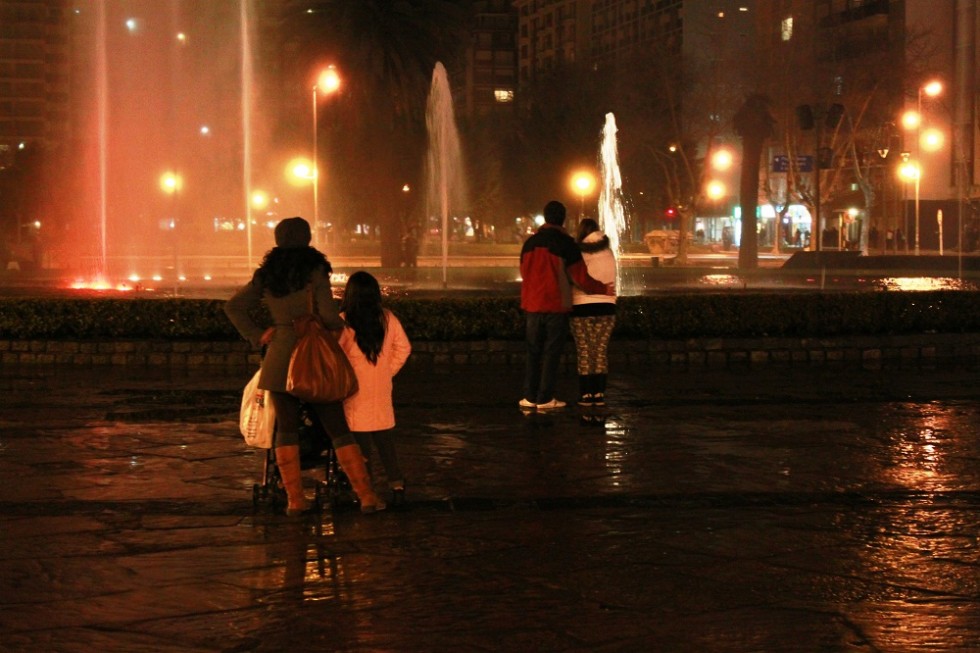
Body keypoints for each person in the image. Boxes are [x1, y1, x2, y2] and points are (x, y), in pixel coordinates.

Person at [224, 217, 385, 515]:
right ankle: (366, 496)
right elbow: (327, 314)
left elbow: (233, 306)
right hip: (313, 357)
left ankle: (295, 501)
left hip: (279, 358)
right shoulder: (315, 270)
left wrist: (258, 335)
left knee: (285, 429)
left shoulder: (267, 274)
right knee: (336, 426)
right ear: (308, 238)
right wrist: (338, 326)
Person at [519, 200, 612, 410]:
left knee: (533, 352)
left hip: (532, 305)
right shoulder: (566, 244)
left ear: (545, 217)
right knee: (551, 353)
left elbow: (524, 272)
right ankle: (545, 398)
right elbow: (580, 277)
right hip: (555, 305)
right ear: (564, 218)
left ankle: (529, 396)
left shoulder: (529, 244)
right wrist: (603, 288)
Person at [338, 271, 412, 507]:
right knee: (385, 442)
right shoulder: (388, 318)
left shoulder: (343, 321)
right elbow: (404, 348)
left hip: (354, 390)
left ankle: (366, 492)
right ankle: (397, 484)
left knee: (361, 445)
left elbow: (336, 355)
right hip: (380, 388)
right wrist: (387, 371)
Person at [571, 218, 617, 407]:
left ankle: (586, 394)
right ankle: (599, 393)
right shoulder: (609, 251)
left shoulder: (577, 252)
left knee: (584, 351)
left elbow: (578, 278)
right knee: (599, 351)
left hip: (582, 307)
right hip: (607, 308)